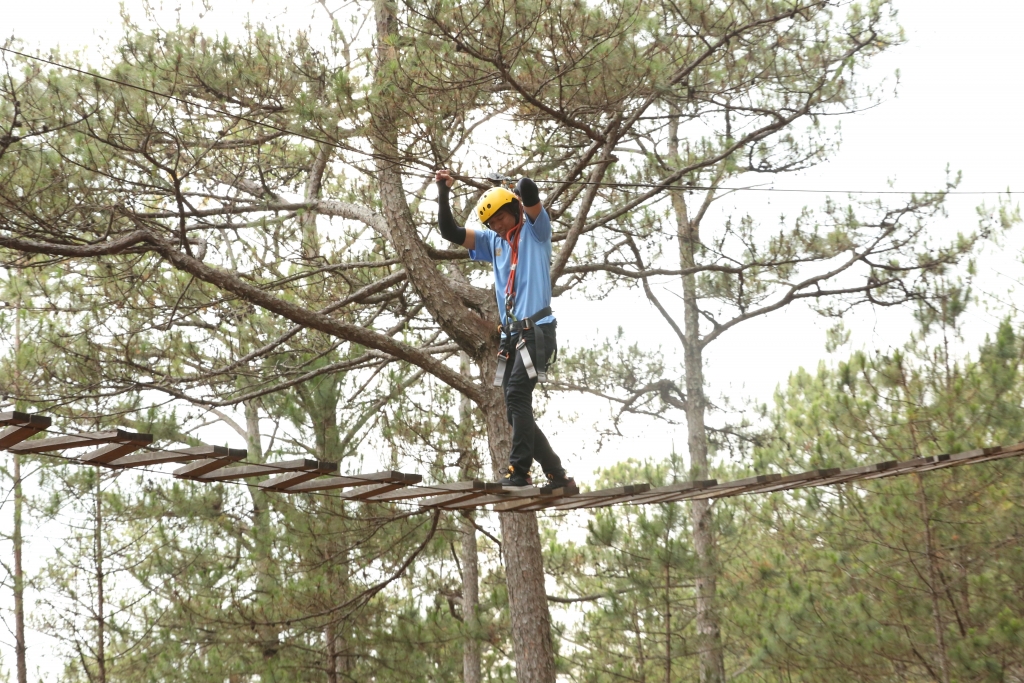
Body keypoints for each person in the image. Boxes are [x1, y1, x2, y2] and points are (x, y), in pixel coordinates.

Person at [435, 169, 574, 490]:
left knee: (516, 394)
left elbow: (529, 188)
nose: (497, 226)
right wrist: (443, 190)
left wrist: (513, 186)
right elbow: (448, 231)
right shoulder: (492, 242)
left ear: (514, 210)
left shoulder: (537, 231)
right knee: (514, 411)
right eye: (492, 223)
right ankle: (557, 474)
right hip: (512, 336)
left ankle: (519, 471)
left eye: (501, 218)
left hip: (536, 330)